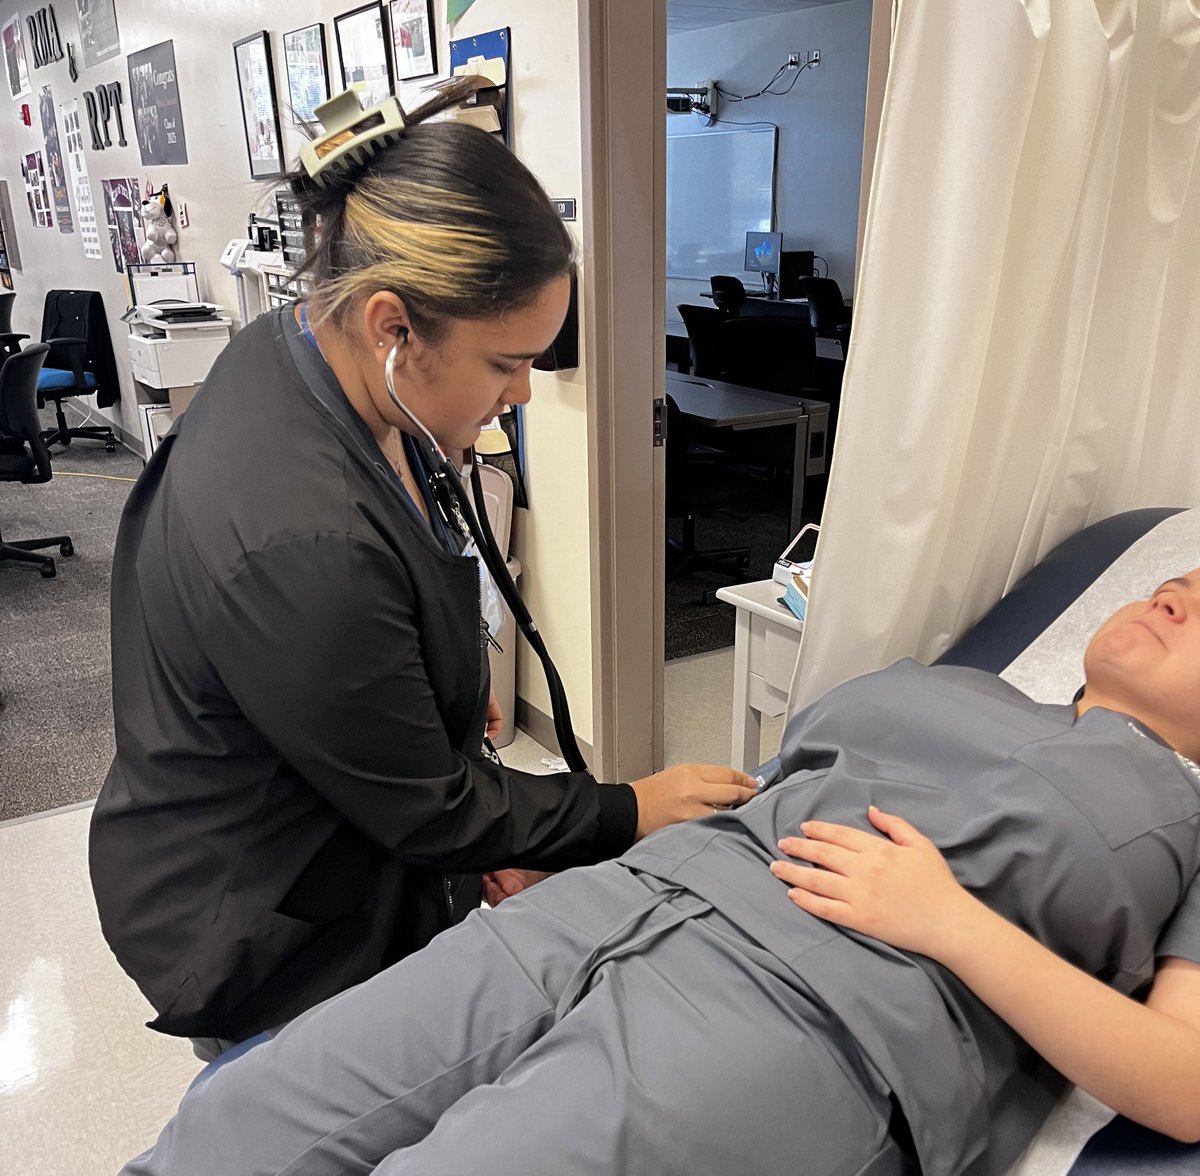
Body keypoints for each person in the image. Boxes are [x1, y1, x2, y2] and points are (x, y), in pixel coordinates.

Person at [89, 80, 755, 1059]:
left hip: (333, 808)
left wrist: (428, 695)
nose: (523, 390)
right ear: (394, 325)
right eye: (503, 362)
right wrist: (625, 810)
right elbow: (430, 810)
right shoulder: (305, 537)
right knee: (305, 1125)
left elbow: (398, 578)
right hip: (268, 913)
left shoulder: (308, 348)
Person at [121, 574, 1200, 1176]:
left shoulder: (1191, 823)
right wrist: (587, 849)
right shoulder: (966, 685)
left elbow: (1184, 1084)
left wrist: (952, 923)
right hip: (626, 905)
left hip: (821, 1016)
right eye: (1180, 576)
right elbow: (773, 786)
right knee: (242, 1122)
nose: (1178, 590)